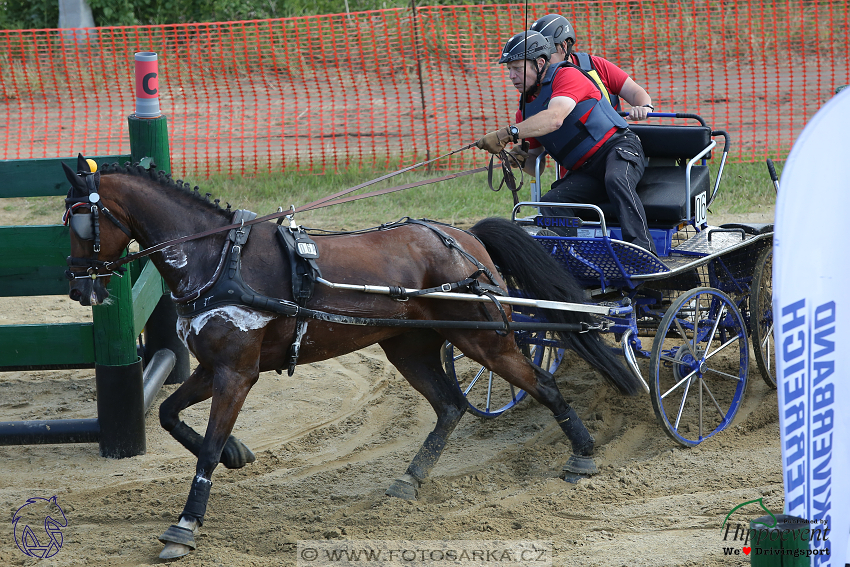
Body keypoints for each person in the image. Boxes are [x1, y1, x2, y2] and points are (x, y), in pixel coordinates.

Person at [476, 30, 656, 254]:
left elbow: (554, 119)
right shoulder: (524, 113)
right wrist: (519, 160)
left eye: (517, 68)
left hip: (618, 148)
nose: (512, 76)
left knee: (616, 178)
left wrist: (508, 133)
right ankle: (569, 260)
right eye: (509, 69)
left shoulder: (567, 76)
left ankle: (643, 253)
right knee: (552, 201)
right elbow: (536, 166)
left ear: (540, 63)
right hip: (586, 171)